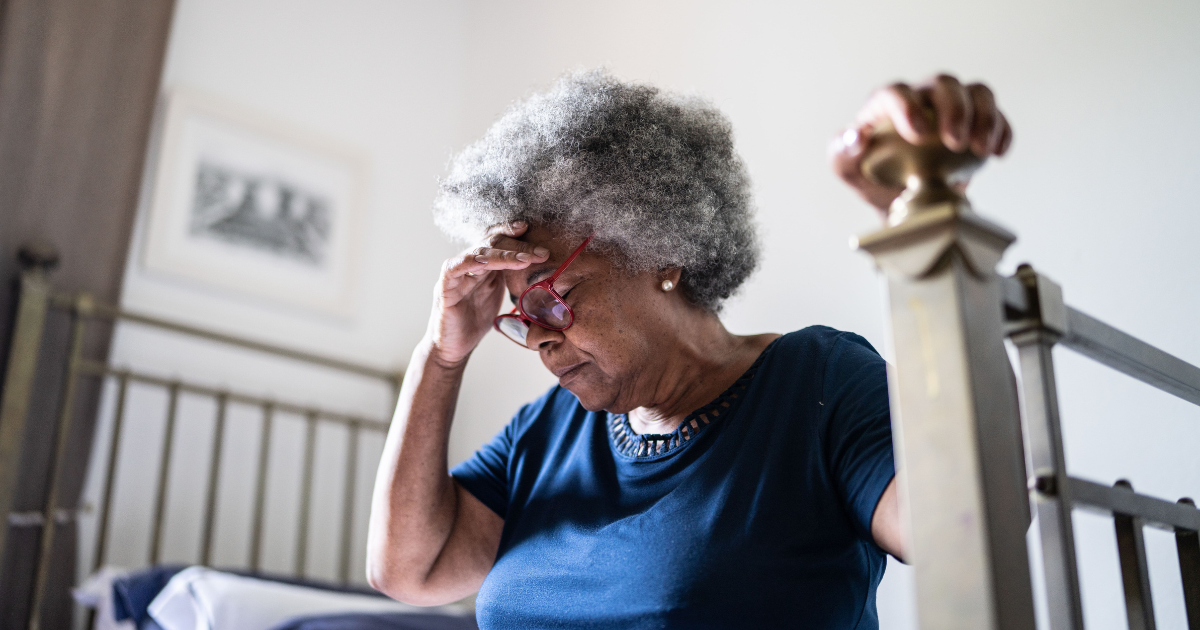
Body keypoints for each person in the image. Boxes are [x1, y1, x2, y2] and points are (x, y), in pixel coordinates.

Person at [367, 70, 1012, 629]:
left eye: (550, 297)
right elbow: (409, 570)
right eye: (520, 313)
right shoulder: (549, 430)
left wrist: (926, 219)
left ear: (659, 252)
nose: (537, 337)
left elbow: (966, 525)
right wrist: (441, 355)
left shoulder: (819, 384)